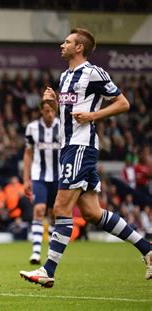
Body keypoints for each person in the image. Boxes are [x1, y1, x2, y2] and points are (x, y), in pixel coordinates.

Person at [19, 28, 151, 287]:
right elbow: (69, 115)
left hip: (81, 147)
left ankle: (47, 270)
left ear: (79, 47)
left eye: (67, 42)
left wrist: (93, 116)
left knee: (60, 208)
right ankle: (148, 250)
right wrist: (54, 103)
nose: (62, 45)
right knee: (92, 212)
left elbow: (123, 103)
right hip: (68, 146)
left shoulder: (94, 73)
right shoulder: (65, 76)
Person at [23, 102, 60, 265]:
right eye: (47, 111)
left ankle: (50, 255)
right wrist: (26, 179)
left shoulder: (63, 126)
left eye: (52, 111)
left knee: (54, 214)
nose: (50, 114)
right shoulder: (32, 128)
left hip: (59, 177)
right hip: (39, 176)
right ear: (41, 112)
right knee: (39, 210)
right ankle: (36, 253)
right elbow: (28, 154)